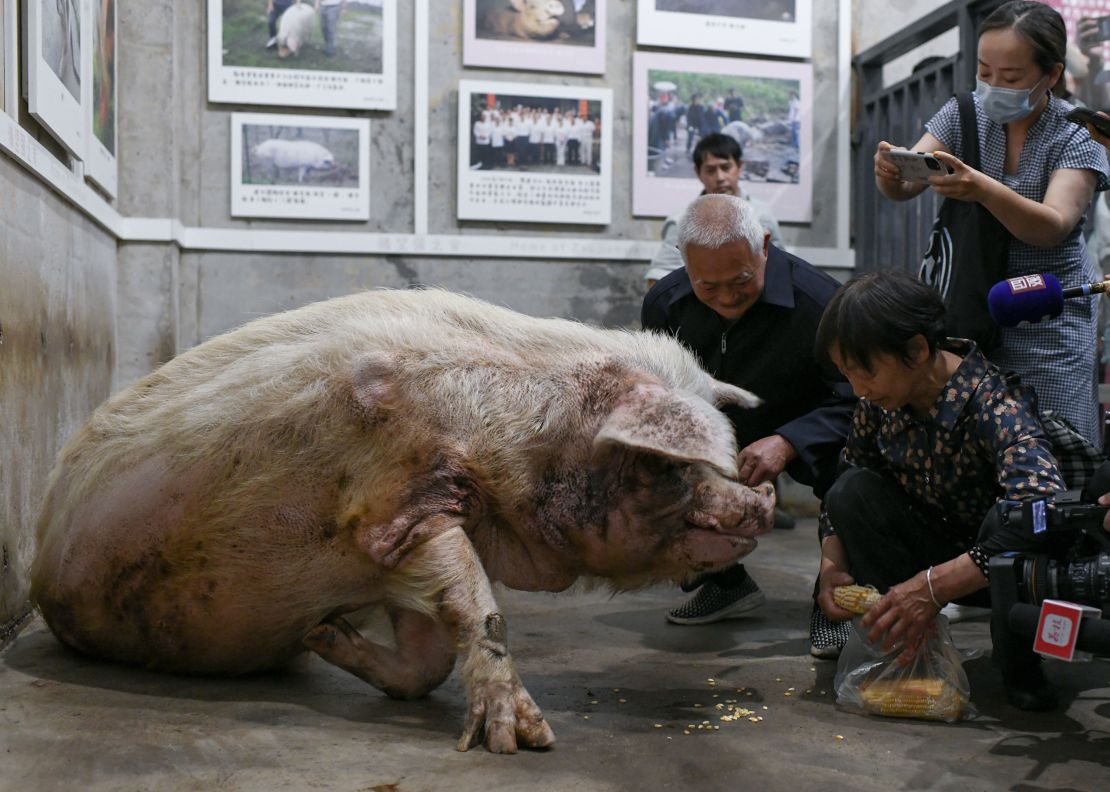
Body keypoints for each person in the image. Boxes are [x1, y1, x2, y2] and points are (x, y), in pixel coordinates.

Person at [814, 271, 1071, 711]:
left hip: (998, 571)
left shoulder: (995, 404)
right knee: (851, 491)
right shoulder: (877, 405)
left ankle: (1021, 669)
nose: (859, 389)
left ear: (916, 349)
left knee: (1010, 518)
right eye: (848, 375)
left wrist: (933, 588)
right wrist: (831, 565)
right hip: (932, 550)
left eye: (867, 372)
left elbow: (1041, 509)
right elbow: (851, 476)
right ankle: (906, 650)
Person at [874, 0, 1110, 448]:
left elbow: (1053, 225)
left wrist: (982, 188)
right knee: (974, 450)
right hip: (969, 310)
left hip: (1047, 318)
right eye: (984, 73)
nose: (993, 86)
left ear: (1052, 74)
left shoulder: (1078, 132)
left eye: (1012, 77)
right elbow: (908, 183)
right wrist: (890, 173)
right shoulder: (964, 113)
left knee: (1051, 445)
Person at [642, 194, 856, 657]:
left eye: (741, 280)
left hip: (811, 423)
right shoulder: (666, 304)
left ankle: (834, 602)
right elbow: (663, 395)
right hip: (718, 426)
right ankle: (724, 583)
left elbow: (857, 399)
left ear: (764, 245)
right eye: (707, 286)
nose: (725, 298)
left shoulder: (822, 302)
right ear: (683, 263)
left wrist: (789, 441)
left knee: (854, 479)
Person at [645, 133, 782, 288]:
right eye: (710, 170)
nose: (720, 177)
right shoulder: (681, 222)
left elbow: (780, 270)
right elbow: (658, 278)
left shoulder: (762, 216)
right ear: (698, 173)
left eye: (726, 167)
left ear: (740, 167)